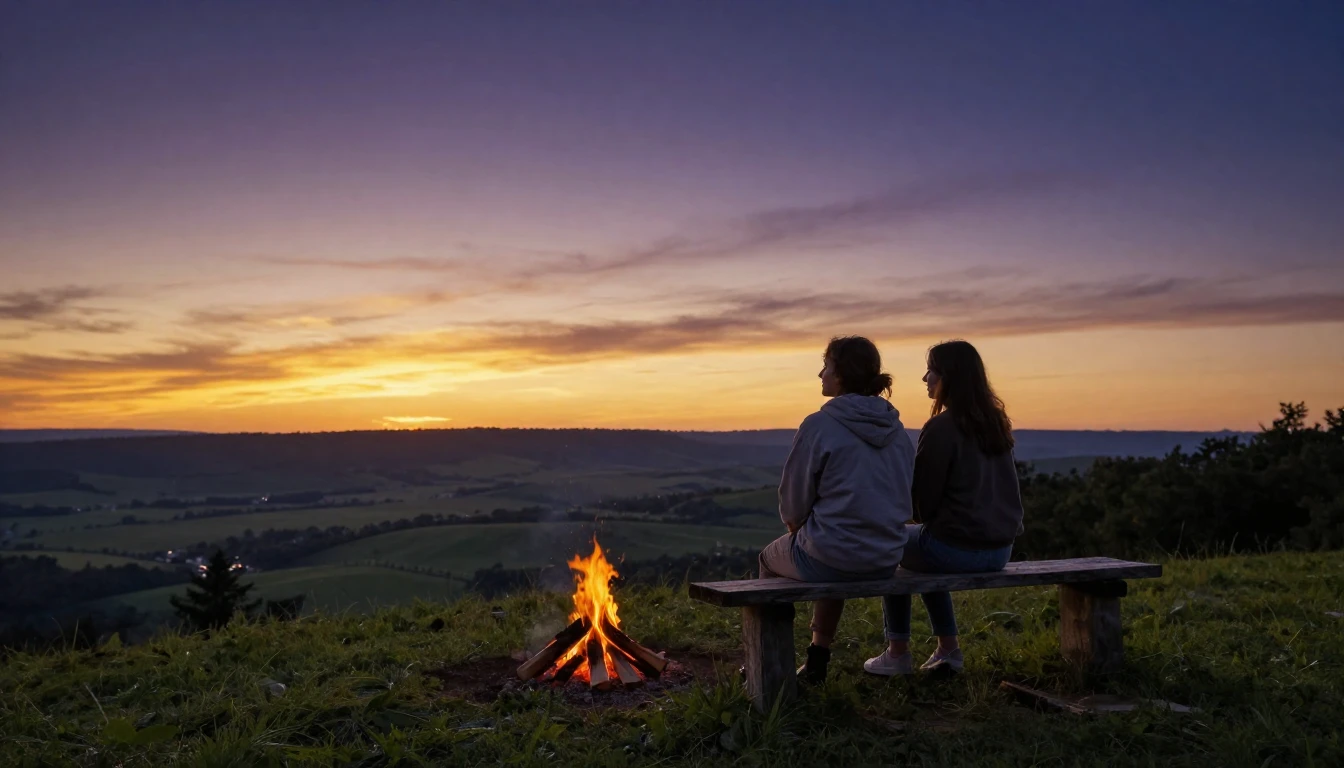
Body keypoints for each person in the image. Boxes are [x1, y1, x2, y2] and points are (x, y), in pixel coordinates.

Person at [864, 339, 1025, 676]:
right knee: (921, 546)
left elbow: (922, 504)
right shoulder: (996, 422)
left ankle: (897, 653)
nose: (925, 378)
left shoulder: (941, 428)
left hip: (957, 549)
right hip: (999, 551)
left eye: (932, 370)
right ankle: (947, 651)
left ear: (949, 376)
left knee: (890, 545)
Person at [761, 335, 915, 684]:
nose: (820, 373)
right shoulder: (898, 430)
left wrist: (796, 526)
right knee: (826, 545)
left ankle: (770, 658)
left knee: (772, 559)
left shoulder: (819, 425)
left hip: (831, 556)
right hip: (886, 557)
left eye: (826, 366)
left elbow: (793, 499)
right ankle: (817, 657)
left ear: (842, 374)